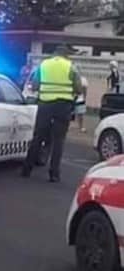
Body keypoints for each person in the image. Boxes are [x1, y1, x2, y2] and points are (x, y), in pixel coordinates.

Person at [21, 44, 82, 183]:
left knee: (38, 136)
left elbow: (35, 85)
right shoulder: (70, 66)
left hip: (45, 104)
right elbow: (78, 88)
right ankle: (54, 174)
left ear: (54, 53)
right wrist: (72, 93)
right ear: (65, 54)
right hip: (63, 106)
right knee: (58, 140)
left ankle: (27, 169)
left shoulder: (44, 65)